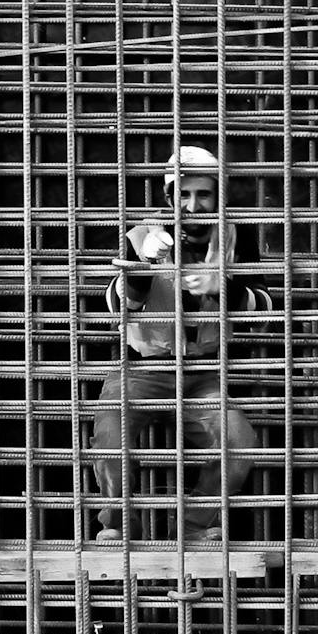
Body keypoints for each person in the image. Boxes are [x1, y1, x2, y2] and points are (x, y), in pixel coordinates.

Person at [93, 145, 269, 540]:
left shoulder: (236, 239)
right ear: (170, 196)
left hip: (203, 373)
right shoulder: (141, 236)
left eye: (203, 194)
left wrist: (224, 287)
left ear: (218, 195)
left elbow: (265, 306)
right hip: (142, 367)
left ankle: (193, 527)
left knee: (238, 440)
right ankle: (120, 527)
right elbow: (117, 304)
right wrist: (139, 268)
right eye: (184, 194)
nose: (193, 204)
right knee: (109, 431)